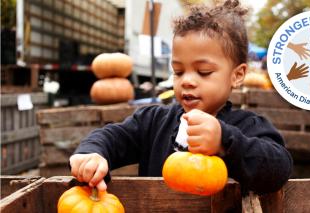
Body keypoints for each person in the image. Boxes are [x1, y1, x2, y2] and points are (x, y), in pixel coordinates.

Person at [69, 0, 293, 195]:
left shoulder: (249, 127)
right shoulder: (153, 121)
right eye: (178, 71)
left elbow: (278, 168)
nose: (187, 80)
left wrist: (225, 141)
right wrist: (92, 154)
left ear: (237, 75)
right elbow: (113, 136)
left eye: (203, 72)